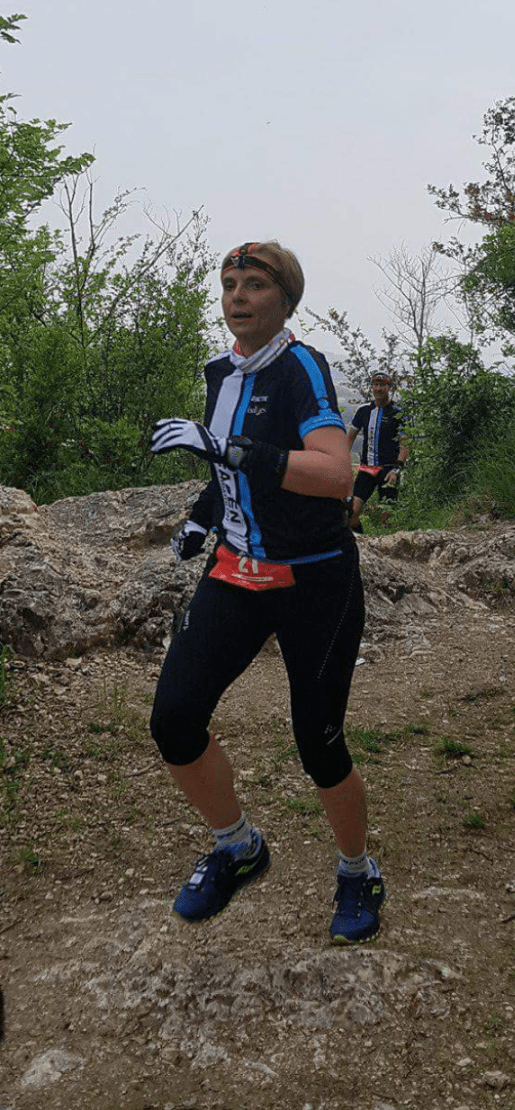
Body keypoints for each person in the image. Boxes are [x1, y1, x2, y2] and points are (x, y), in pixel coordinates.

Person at [149, 240, 384, 944]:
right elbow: (229, 469)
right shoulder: (221, 372)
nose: (237, 296)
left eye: (253, 284)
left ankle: (356, 870)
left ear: (285, 299)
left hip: (314, 576)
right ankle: (238, 847)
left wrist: (229, 451)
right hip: (237, 572)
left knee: (317, 739)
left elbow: (334, 475)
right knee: (174, 721)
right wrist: (203, 515)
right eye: (229, 284)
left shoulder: (299, 366)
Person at [347, 371, 408, 533]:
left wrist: (397, 469)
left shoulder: (398, 412)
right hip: (367, 468)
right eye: (375, 385)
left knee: (386, 520)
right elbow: (349, 439)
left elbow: (405, 445)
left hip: (388, 470)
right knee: (351, 513)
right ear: (371, 387)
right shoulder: (363, 411)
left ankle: (387, 546)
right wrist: (343, 462)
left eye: (382, 385)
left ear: (389, 388)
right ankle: (360, 544)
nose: (378, 388)